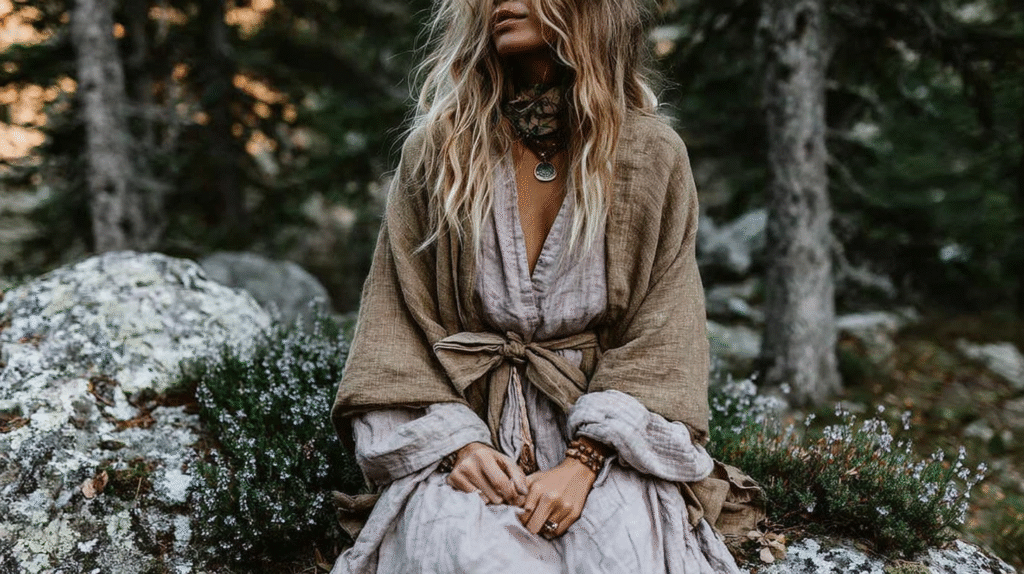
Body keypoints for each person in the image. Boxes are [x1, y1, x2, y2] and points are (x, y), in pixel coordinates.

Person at [329, 0, 760, 572]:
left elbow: (664, 337)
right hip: (470, 430)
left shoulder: (652, 154)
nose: (501, 5)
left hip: (605, 444)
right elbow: (395, 326)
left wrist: (583, 463)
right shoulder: (438, 153)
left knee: (621, 551)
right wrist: (461, 447)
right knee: (456, 551)